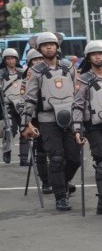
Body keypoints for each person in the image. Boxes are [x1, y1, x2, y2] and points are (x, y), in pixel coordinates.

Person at [21, 31, 81, 211]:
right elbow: (30, 98)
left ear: (57, 47)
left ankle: (62, 181)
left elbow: (78, 94)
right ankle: (60, 196)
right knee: (56, 158)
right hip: (47, 120)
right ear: (40, 49)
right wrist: (26, 123)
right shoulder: (35, 71)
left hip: (70, 118)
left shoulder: (69, 67)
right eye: (45, 45)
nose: (49, 47)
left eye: (52, 44)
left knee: (74, 159)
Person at [72, 40, 102, 219]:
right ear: (88, 57)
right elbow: (77, 105)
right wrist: (77, 129)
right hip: (94, 126)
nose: (98, 56)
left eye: (100, 54)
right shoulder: (83, 79)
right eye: (94, 54)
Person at [20, 49, 52, 194]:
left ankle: (63, 180)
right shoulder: (27, 77)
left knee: (59, 152)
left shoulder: (54, 73)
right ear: (30, 62)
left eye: (41, 59)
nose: (39, 62)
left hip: (53, 116)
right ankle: (45, 181)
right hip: (35, 118)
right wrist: (27, 122)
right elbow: (23, 102)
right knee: (41, 151)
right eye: (36, 60)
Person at [0, 48, 28, 165]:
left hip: (22, 105)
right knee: (9, 130)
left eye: (12, 58)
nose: (10, 60)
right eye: (8, 58)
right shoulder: (1, 74)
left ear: (16, 59)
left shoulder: (23, 72)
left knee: (24, 130)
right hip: (8, 106)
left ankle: (24, 159)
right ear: (5, 60)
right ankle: (7, 151)